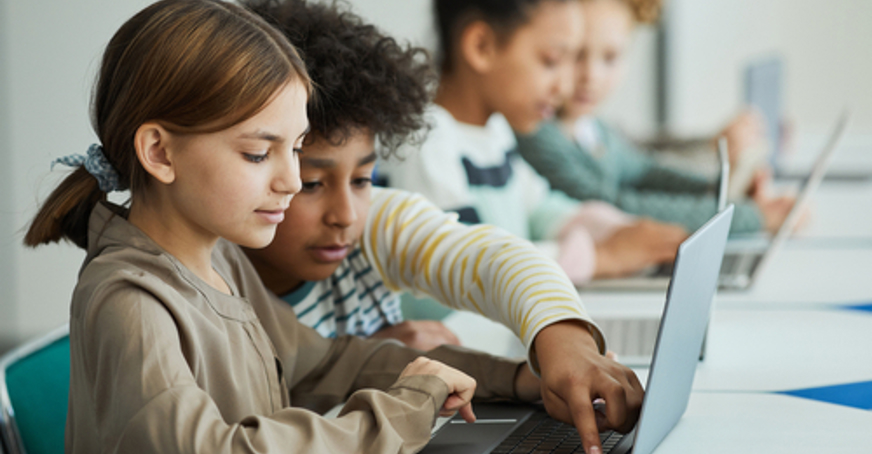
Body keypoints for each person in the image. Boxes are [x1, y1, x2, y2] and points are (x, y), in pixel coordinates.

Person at [23, 1, 550, 452]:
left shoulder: (220, 260)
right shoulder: (132, 303)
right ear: (160, 152)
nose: (292, 181)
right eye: (258, 154)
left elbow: (323, 364)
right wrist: (403, 408)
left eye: (295, 150)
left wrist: (516, 379)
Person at [242, 5, 642, 453]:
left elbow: (489, 258)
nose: (345, 214)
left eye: (362, 180)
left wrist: (566, 341)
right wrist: (365, 360)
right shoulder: (220, 280)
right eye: (312, 184)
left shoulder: (375, 223)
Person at [375, 1, 650, 452]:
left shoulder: (496, 133)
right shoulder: (426, 139)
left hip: (492, 333)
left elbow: (543, 207)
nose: (565, 86)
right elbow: (469, 261)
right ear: (481, 46)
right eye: (551, 60)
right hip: (457, 340)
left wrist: (618, 229)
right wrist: (597, 257)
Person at [515, 0, 796, 234]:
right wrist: (751, 217)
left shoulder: (592, 128)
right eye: (575, 55)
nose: (591, 76)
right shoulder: (535, 133)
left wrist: (718, 193)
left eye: (610, 57)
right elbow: (616, 207)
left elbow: (646, 171)